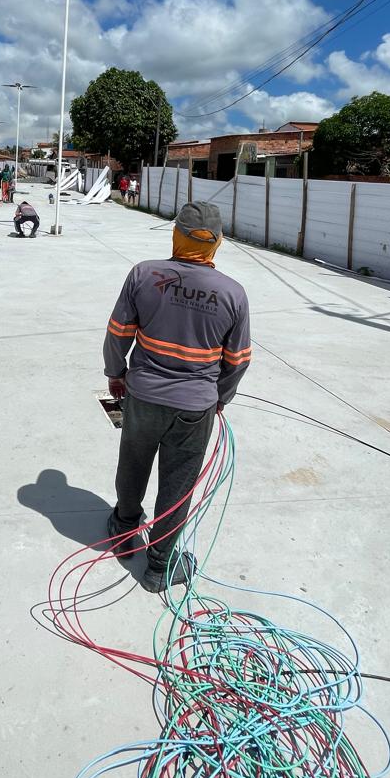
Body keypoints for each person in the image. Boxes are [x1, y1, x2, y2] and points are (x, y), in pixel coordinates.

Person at [102, 201, 251, 593]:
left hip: (144, 395)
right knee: (178, 483)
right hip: (194, 407)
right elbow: (237, 360)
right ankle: (160, 567)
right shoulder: (233, 293)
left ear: (176, 235)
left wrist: (116, 375)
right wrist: (219, 397)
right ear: (217, 242)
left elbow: (118, 334)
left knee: (132, 464)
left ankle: (123, 532)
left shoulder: (143, 275)